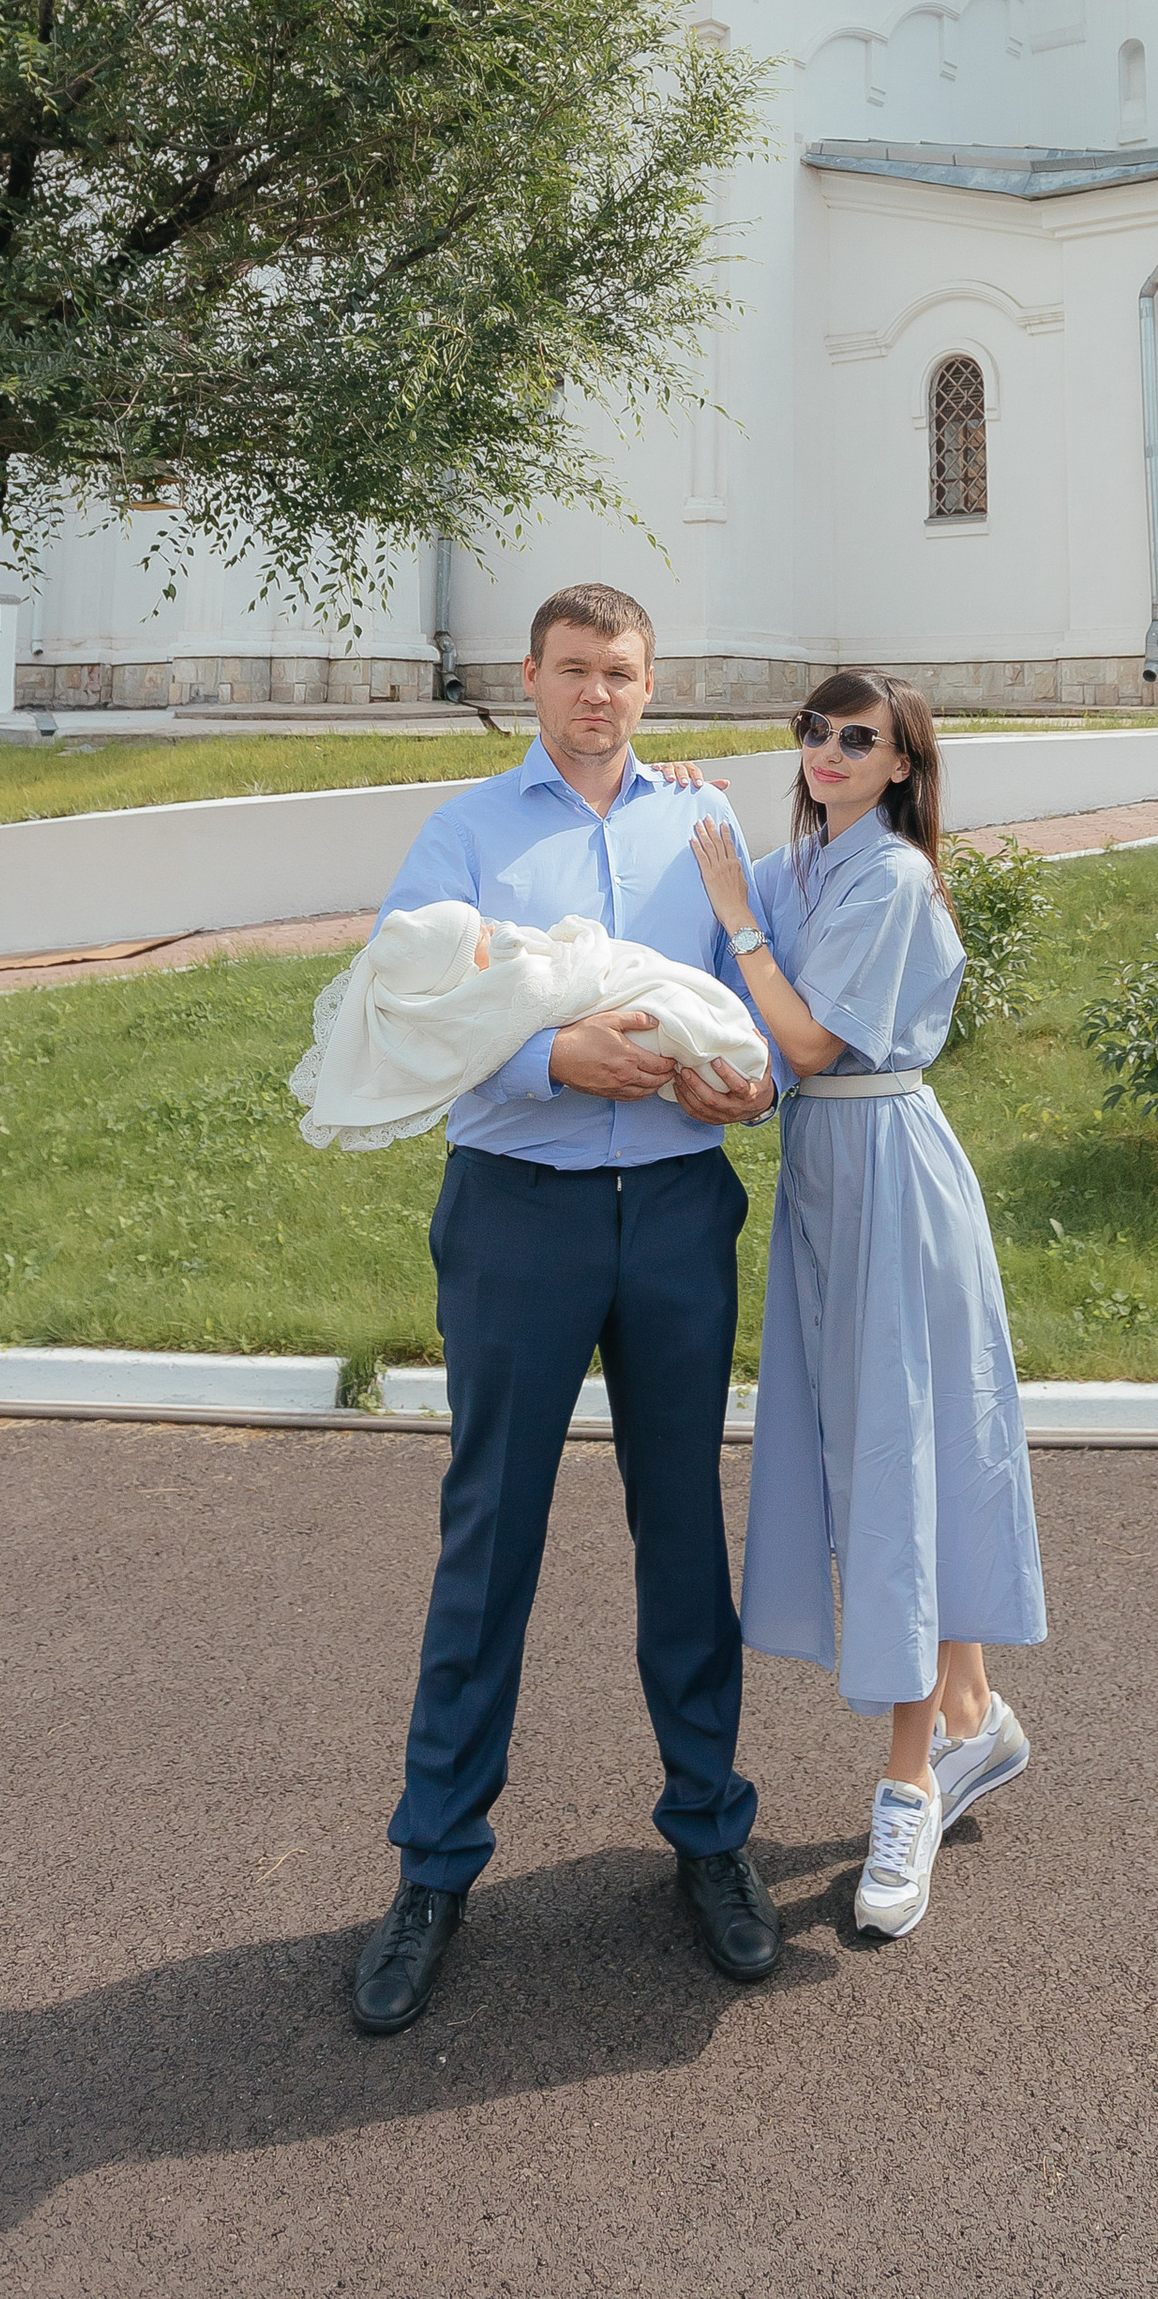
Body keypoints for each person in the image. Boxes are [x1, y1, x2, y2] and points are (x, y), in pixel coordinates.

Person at [347, 584, 782, 2039]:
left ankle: (711, 1836)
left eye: (626, 673)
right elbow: (415, 1010)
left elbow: (751, 1017)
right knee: (490, 1539)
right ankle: (433, 1868)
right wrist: (550, 1059)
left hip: (673, 1216)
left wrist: (746, 1088)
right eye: (578, 671)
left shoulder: (704, 828)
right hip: (518, 1220)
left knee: (683, 1531)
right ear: (530, 678)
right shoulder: (469, 831)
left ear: (653, 687)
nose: (602, 695)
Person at [692, 670, 1045, 1942]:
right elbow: (740, 998)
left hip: (889, 1174)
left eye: (861, 740)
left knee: (898, 1459)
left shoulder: (887, 876)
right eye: (815, 732)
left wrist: (731, 910)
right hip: (825, 1186)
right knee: (884, 1452)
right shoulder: (803, 865)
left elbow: (808, 1045)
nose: (830, 752)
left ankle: (910, 1783)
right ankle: (970, 1715)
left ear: (902, 766)